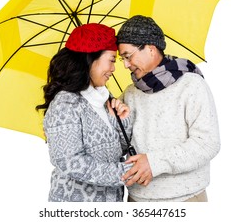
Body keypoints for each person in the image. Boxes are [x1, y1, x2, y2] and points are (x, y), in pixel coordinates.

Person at [116, 15, 221, 202]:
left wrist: (154, 163)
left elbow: (207, 143)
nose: (125, 65)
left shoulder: (191, 85)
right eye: (121, 58)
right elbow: (118, 147)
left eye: (128, 56)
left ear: (150, 48)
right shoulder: (130, 94)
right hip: (137, 200)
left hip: (185, 200)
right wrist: (115, 119)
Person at [36, 23, 132, 202]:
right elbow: (70, 163)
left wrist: (121, 121)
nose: (114, 68)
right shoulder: (65, 104)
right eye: (111, 60)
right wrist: (126, 173)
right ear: (91, 59)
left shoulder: (104, 98)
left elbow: (118, 150)